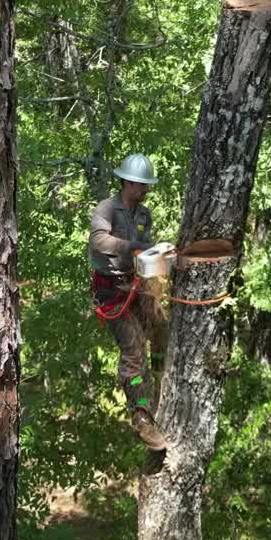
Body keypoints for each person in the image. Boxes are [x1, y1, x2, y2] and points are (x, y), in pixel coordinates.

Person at [89, 154, 169, 451]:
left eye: (147, 186)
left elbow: (145, 253)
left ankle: (161, 380)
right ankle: (141, 415)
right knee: (134, 351)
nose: (146, 191)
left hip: (136, 286)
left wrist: (159, 266)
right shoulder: (106, 210)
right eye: (141, 185)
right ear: (127, 182)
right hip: (111, 293)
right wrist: (133, 246)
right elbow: (99, 241)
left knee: (162, 328)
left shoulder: (144, 214)